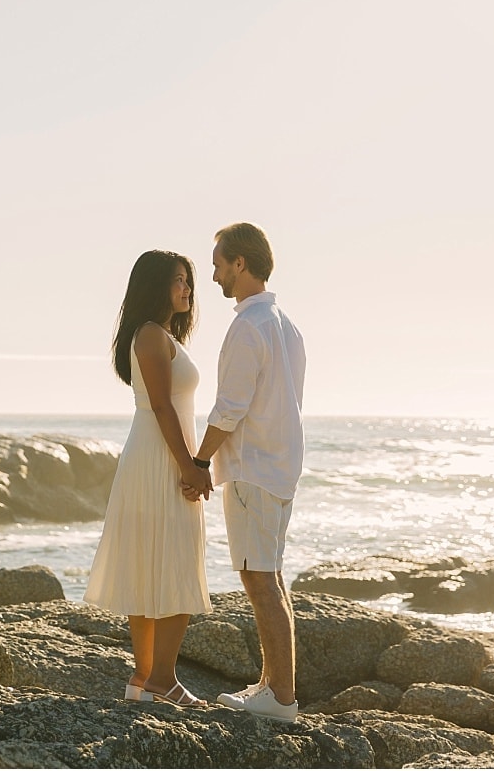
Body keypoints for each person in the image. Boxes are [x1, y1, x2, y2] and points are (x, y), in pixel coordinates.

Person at [181, 222, 306, 723]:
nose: (212, 276)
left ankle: (278, 699)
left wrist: (198, 461)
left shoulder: (248, 326)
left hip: (254, 468)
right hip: (280, 466)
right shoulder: (285, 325)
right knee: (270, 577)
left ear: (240, 263)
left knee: (259, 581)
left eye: (217, 264)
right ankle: (276, 688)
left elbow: (229, 408)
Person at [83, 249, 213, 707]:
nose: (187, 289)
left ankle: (143, 678)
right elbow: (163, 407)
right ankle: (162, 680)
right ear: (155, 286)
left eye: (188, 281)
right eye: (179, 280)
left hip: (150, 455)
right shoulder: (153, 336)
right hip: (161, 457)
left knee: (149, 564)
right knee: (175, 563)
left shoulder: (152, 335)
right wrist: (190, 467)